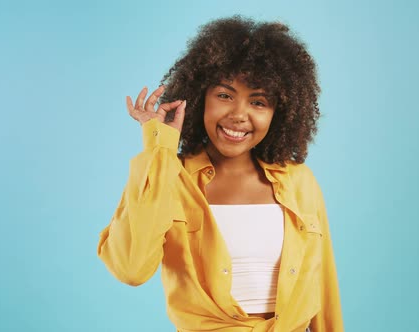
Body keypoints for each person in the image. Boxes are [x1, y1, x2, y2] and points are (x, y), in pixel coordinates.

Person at [97, 16, 344, 332]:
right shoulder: (170, 177)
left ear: (279, 113)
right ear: (200, 98)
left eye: (258, 101)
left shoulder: (299, 181)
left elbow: (323, 289)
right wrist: (159, 147)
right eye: (225, 95)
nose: (238, 115)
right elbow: (131, 267)